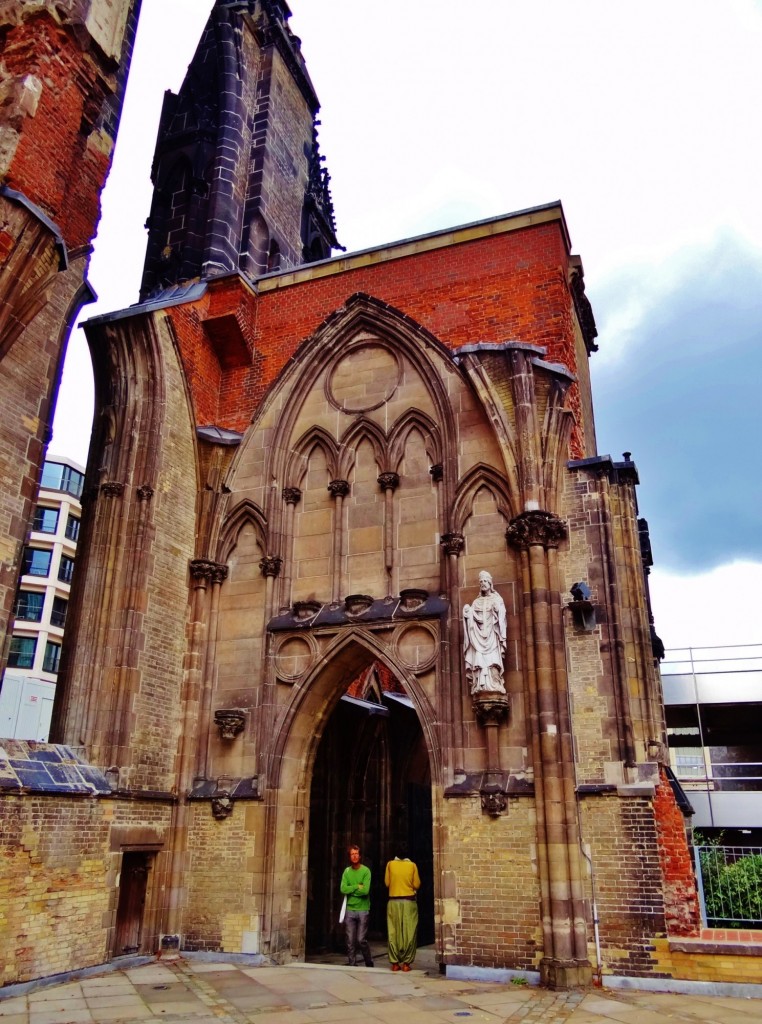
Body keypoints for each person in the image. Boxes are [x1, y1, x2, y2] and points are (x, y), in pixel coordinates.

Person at [462, 569, 507, 694]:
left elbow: (501, 616)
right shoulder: (476, 602)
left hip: (492, 636)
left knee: (493, 662)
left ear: (490, 583)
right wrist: (468, 612)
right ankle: (479, 685)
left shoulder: (497, 599)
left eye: (485, 581)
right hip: (478, 638)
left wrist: (498, 609)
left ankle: (494, 683)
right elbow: (472, 618)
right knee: (479, 663)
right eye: (481, 581)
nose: (483, 583)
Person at [384, 847, 421, 971]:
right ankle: (406, 963)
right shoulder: (412, 865)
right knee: (409, 932)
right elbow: (416, 884)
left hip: (393, 902)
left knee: (393, 932)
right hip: (408, 902)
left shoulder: (390, 864)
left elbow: (387, 883)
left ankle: (395, 963)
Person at [339, 844, 374, 967]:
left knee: (361, 940)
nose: (354, 856)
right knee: (350, 940)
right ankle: (352, 964)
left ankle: (368, 962)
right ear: (349, 857)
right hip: (350, 909)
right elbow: (343, 889)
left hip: (363, 909)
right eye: (352, 854)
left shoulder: (366, 871)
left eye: (356, 854)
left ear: (360, 856)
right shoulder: (347, 872)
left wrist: (351, 890)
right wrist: (356, 886)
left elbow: (365, 891)